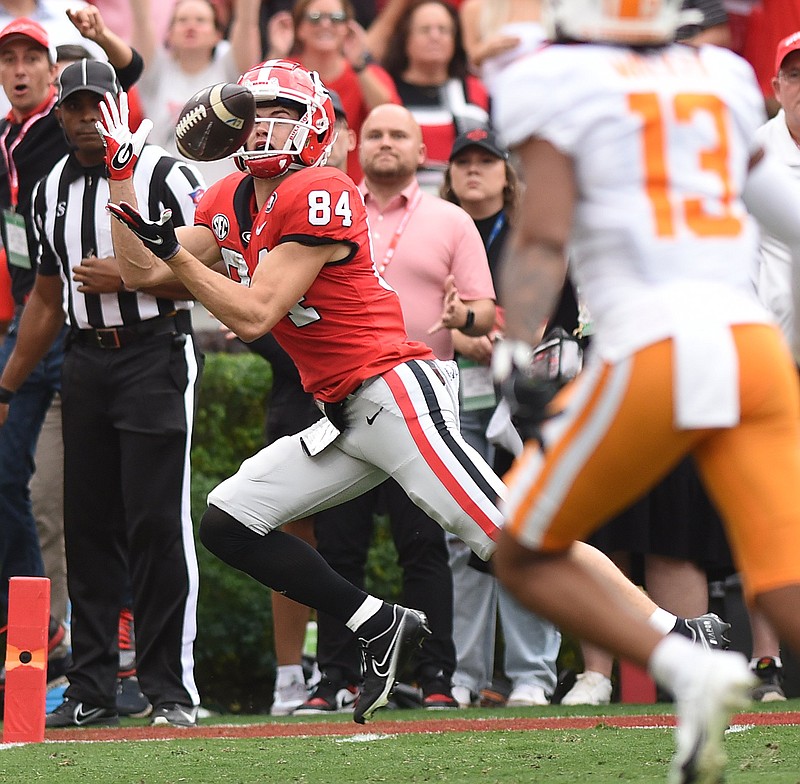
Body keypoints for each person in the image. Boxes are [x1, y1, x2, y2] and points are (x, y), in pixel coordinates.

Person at [101, 56, 736, 727]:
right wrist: (122, 177)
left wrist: (170, 254)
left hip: (395, 394)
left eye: (280, 116)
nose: (262, 131)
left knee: (514, 536)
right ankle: (376, 622)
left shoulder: (321, 189)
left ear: (313, 124)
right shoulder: (226, 199)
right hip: (343, 412)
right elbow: (140, 271)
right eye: (254, 118)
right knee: (229, 519)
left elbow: (254, 312)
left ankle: (678, 632)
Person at [490, 1, 800, 781]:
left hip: (654, 347)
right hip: (753, 348)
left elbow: (545, 231)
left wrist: (516, 342)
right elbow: (783, 214)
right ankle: (697, 670)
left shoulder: (552, 78)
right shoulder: (724, 78)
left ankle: (689, 666)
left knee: (523, 552)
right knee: (785, 577)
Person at [0, 59, 205, 729]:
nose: (89, 118)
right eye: (77, 107)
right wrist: (6, 384)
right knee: (88, 528)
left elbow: (217, 273)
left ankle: (168, 688)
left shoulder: (166, 174)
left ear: (120, 106)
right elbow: (48, 298)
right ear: (57, 117)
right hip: (84, 360)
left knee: (154, 521)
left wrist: (134, 276)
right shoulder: (47, 189)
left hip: (154, 352)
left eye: (100, 105)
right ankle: (91, 687)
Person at [295, 103, 495, 714]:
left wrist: (462, 316)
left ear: (419, 149)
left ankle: (437, 679)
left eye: (399, 134)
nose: (386, 143)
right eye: (375, 132)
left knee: (424, 545)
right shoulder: (326, 207)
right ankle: (334, 679)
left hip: (417, 403)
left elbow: (485, 312)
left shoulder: (451, 219)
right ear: (354, 141)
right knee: (339, 546)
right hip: (343, 402)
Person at [0, 11, 142, 679]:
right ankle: (43, 638)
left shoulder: (75, 129)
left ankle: (111, 640)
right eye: (9, 61)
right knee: (22, 485)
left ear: (53, 75)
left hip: (92, 324)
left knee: (94, 497)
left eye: (33, 59)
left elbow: (123, 79)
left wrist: (105, 38)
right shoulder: (10, 137)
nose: (19, 71)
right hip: (37, 318)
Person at [439, 127, 561, 708]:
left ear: (505, 173)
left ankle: (532, 675)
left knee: (526, 529)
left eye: (485, 161)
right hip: (455, 392)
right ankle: (466, 676)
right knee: (462, 536)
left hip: (524, 400)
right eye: (463, 161)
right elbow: (423, 313)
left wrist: (491, 334)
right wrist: (467, 337)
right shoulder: (437, 228)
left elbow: (550, 314)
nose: (473, 171)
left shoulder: (528, 231)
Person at [745, 28, 800, 703]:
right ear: (778, 85)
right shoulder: (751, 155)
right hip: (769, 354)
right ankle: (765, 661)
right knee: (766, 505)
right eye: (796, 74)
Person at [129, 0, 262, 182]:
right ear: (169, 33)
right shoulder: (156, 73)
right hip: (166, 193)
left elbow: (247, 21)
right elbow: (141, 19)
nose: (191, 26)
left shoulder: (230, 72)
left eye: (201, 20)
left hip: (220, 191)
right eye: (182, 20)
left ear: (218, 34)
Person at [282, 0, 400, 182]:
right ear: (300, 29)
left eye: (336, 18)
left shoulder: (365, 73)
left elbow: (392, 117)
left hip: (351, 187)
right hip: (290, 184)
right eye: (315, 18)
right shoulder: (286, 71)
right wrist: (277, 52)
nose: (325, 24)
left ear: (348, 28)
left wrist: (359, 64)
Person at [381, 0, 488, 189]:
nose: (435, 37)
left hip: (464, 200)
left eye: (444, 30)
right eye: (425, 30)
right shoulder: (386, 88)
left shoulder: (475, 89)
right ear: (406, 38)